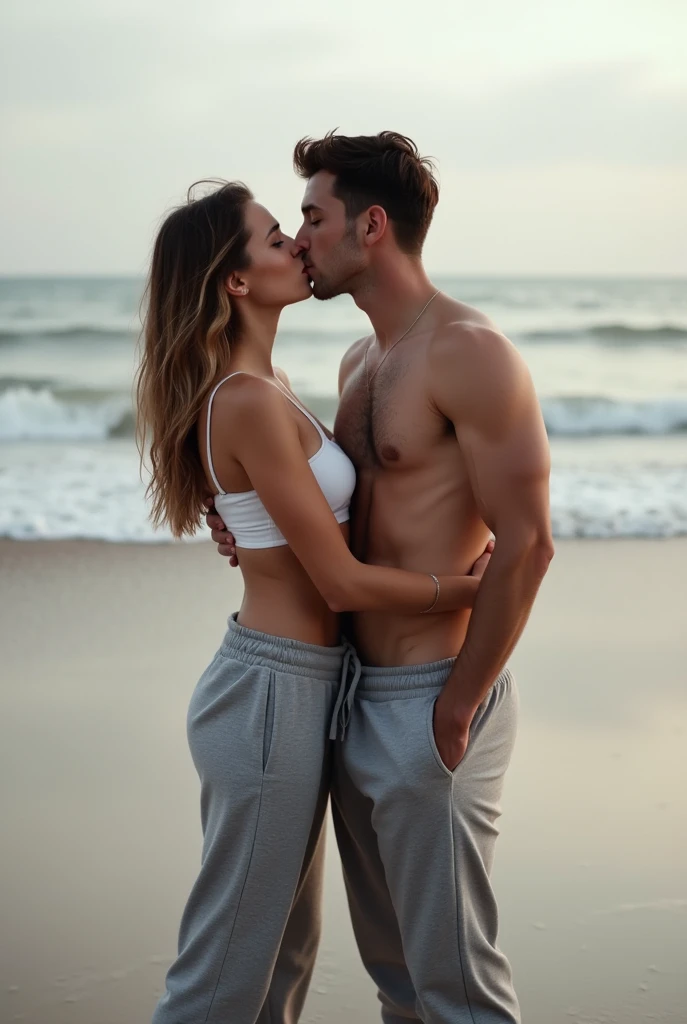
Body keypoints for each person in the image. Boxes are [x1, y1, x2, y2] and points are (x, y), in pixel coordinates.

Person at [208, 132, 555, 1023]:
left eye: (314, 219)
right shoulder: (357, 364)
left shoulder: (471, 352)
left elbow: (529, 544)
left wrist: (458, 704)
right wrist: (246, 529)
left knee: (459, 990)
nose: (300, 238)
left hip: (435, 696)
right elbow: (340, 515)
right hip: (354, 697)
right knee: (399, 981)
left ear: (370, 226)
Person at [136, 179, 494, 1024]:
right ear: (234, 282)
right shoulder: (252, 401)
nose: (296, 246)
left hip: (306, 688)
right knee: (225, 973)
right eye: (272, 239)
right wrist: (471, 587)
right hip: (270, 695)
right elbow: (337, 581)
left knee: (284, 959)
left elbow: (294, 528)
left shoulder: (274, 383)